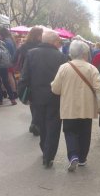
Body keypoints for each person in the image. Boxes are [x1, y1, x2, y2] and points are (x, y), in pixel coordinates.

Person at [51, 40, 100, 171]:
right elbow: (99, 89)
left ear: (71, 53)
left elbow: (55, 89)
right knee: (85, 132)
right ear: (86, 54)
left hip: (69, 108)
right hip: (87, 108)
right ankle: (82, 158)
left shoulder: (64, 67)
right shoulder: (92, 68)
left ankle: (73, 155)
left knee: (70, 132)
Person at [18, 31, 67, 168]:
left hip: (36, 97)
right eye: (58, 41)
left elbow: (25, 75)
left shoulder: (31, 53)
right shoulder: (61, 56)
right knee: (54, 126)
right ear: (52, 42)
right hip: (55, 97)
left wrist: (23, 95)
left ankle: (44, 148)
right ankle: (49, 155)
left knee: (42, 124)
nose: (59, 43)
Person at [14, 26, 44, 136]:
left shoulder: (23, 47)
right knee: (39, 102)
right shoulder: (40, 47)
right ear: (37, 35)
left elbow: (14, 60)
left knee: (32, 101)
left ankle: (35, 122)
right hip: (39, 77)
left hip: (27, 77)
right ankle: (36, 123)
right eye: (41, 34)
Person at [0, 27, 18, 99]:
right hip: (11, 60)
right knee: (9, 76)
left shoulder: (6, 41)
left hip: (8, 61)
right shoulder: (10, 39)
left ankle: (14, 92)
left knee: (9, 76)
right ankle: (13, 92)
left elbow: (6, 52)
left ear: (2, 33)